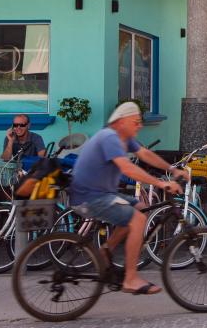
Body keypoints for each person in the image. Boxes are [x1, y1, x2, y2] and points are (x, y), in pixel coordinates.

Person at [70, 102, 191, 295]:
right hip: (90, 197)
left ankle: (107, 250)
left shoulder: (123, 138)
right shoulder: (109, 136)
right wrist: (161, 184)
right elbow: (127, 168)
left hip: (104, 194)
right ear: (120, 122)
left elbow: (144, 154)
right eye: (135, 122)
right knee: (138, 220)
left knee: (140, 208)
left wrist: (172, 169)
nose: (140, 126)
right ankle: (131, 278)